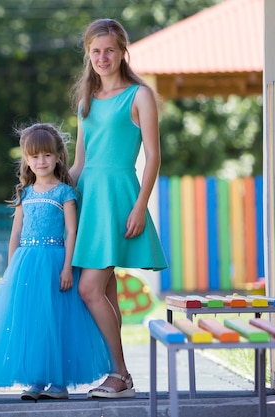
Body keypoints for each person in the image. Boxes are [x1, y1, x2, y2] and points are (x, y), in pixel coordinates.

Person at [0, 122, 112, 401]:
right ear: (26, 159)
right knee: (34, 321)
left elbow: (72, 231)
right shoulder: (24, 193)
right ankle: (37, 380)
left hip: (54, 262)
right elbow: (16, 233)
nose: (42, 161)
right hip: (27, 262)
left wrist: (67, 267)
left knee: (56, 320)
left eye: (47, 155)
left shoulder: (65, 192)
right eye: (35, 156)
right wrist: (12, 266)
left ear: (58, 157)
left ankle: (59, 384)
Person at [68, 18, 168, 399]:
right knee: (105, 292)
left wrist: (141, 205)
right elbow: (79, 163)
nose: (102, 57)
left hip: (119, 198)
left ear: (123, 50)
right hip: (89, 201)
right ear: (88, 54)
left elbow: (154, 157)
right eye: (95, 51)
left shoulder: (139, 95)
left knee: (89, 289)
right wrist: (49, 194)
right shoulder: (86, 102)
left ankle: (120, 373)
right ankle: (118, 374)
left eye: (109, 49)